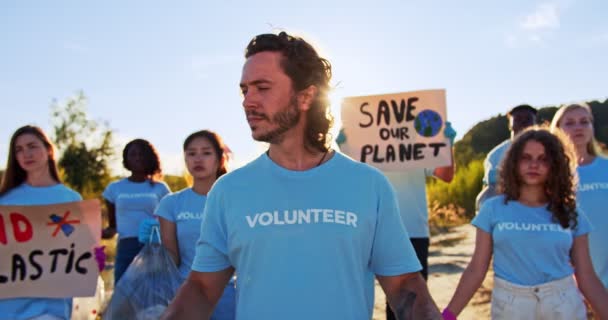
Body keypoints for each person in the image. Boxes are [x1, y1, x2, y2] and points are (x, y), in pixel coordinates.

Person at [161, 31, 441, 320]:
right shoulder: (229, 190)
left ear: (306, 96)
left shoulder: (368, 185)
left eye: (262, 88)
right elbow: (202, 288)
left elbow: (404, 284)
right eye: (245, 90)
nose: (248, 101)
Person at [444, 126, 608, 320]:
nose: (534, 164)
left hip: (563, 305)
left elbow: (587, 277)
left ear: (555, 165)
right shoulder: (493, 209)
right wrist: (447, 315)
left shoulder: (571, 213)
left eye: (543, 159)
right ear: (513, 162)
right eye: (526, 157)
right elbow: (476, 269)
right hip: (511, 306)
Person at [336, 122, 456, 320]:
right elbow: (346, 176)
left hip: (413, 231)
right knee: (370, 294)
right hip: (373, 232)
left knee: (409, 298)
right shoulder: (368, 151)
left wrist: (447, 144)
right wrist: (345, 148)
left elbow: (446, 175)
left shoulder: (417, 148)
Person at [143, 130, 236, 319]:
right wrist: (152, 254)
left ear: (220, 159)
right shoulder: (171, 203)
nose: (198, 159)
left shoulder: (235, 201)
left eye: (206, 153)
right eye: (191, 153)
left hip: (229, 293)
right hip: (188, 294)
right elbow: (172, 257)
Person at [0, 125, 82, 319]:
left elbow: (81, 251)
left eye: (32, 146)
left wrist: (97, 255)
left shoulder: (71, 199)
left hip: (51, 307)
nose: (26, 154)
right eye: (18, 150)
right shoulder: (5, 201)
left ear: (49, 150)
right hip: (8, 305)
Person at [550, 102, 608, 288]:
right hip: (566, 274)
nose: (578, 127)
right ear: (557, 129)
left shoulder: (605, 167)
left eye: (584, 122)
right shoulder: (550, 175)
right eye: (570, 123)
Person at [101, 138, 171, 283]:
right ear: (126, 158)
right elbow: (112, 227)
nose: (137, 158)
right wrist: (88, 234)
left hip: (153, 248)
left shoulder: (161, 188)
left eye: (142, 154)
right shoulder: (114, 188)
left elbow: (170, 223)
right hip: (125, 247)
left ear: (150, 158)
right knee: (122, 296)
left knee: (153, 295)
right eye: (133, 154)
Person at [476, 104, 537, 210]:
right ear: (510, 124)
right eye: (518, 119)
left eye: (528, 119)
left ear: (535, 123)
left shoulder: (547, 150)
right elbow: (488, 190)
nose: (523, 122)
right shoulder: (495, 155)